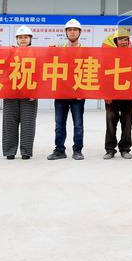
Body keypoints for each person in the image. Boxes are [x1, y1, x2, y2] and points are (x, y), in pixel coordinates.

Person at [48, 19, 86, 161]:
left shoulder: (86, 51)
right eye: (69, 30)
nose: (72, 32)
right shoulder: (58, 50)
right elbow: (47, 65)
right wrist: (49, 52)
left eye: (75, 29)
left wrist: (82, 91)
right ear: (65, 32)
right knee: (59, 124)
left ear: (80, 32)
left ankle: (77, 150)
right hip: (61, 93)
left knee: (78, 124)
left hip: (78, 94)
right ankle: (59, 150)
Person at [3, 26, 38, 160]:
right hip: (11, 93)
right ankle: (9, 151)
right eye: (20, 37)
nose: (23, 40)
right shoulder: (9, 53)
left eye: (25, 37)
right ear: (16, 39)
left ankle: (26, 151)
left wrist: (35, 92)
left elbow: (40, 74)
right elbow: (2, 71)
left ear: (30, 39)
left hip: (29, 94)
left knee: (28, 123)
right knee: (9, 123)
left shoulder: (36, 54)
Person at [103, 28, 132, 160]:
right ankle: (110, 149)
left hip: (129, 96)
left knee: (127, 123)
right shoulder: (108, 56)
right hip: (112, 96)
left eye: (125, 39)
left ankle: (125, 148)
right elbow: (104, 76)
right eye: (120, 39)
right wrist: (106, 94)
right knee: (111, 122)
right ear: (115, 41)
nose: (123, 41)